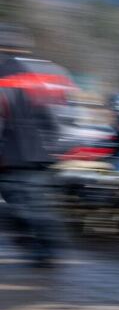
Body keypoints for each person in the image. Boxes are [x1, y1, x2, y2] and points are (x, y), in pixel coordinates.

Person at [0, 25, 66, 266]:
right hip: (43, 152)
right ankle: (45, 247)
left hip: (13, 154)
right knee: (36, 202)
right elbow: (57, 117)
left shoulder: (4, 76)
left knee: (19, 204)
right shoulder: (42, 74)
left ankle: (41, 246)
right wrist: (55, 145)